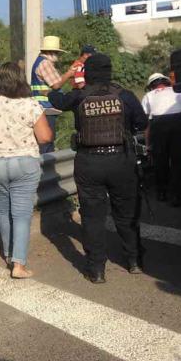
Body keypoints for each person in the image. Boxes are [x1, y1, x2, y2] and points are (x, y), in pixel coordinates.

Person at [49, 53, 148, 284]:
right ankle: (134, 261)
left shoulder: (78, 96)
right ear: (109, 71)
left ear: (88, 72)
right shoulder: (124, 95)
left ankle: (96, 270)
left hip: (89, 163)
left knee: (93, 218)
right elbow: (142, 124)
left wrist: (66, 77)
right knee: (126, 214)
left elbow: (54, 99)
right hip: (121, 161)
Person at [0, 62, 53, 279]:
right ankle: (19, 265)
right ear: (20, 79)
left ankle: (7, 254)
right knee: (22, 215)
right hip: (24, 163)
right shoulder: (29, 104)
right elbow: (44, 137)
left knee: (4, 211)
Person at [141, 72, 181, 206]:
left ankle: (162, 193)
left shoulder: (148, 96)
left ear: (152, 85)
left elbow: (146, 124)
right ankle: (177, 196)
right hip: (179, 123)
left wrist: (148, 144)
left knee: (160, 162)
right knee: (178, 163)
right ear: (167, 82)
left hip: (158, 126)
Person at [30, 36, 76, 154]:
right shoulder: (45, 63)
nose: (58, 56)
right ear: (51, 52)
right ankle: (46, 168)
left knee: (45, 142)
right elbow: (56, 85)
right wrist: (69, 74)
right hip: (46, 108)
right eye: (57, 52)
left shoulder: (40, 62)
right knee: (47, 142)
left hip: (43, 108)